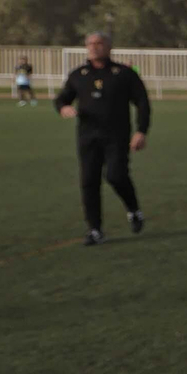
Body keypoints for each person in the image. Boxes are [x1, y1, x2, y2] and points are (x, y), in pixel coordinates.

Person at [54, 32, 151, 246]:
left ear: (109, 47)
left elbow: (142, 103)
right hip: (88, 136)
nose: (94, 47)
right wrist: (64, 108)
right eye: (90, 44)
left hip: (116, 135)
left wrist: (141, 131)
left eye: (99, 43)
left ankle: (133, 209)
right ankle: (95, 230)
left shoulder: (123, 73)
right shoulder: (79, 74)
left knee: (116, 175)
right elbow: (62, 98)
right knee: (89, 181)